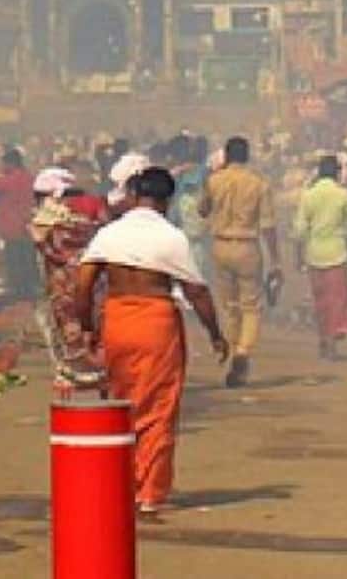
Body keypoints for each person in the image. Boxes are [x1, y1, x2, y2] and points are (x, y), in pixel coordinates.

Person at [76, 167, 228, 517]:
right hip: (156, 322)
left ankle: (123, 483)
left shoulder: (110, 233)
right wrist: (215, 334)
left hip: (117, 320)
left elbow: (83, 285)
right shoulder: (171, 237)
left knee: (121, 401)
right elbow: (196, 292)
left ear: (133, 196)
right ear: (167, 200)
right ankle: (149, 491)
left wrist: (88, 327)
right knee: (158, 408)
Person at [198, 136, 280, 386]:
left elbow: (202, 210)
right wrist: (275, 259)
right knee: (251, 306)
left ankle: (235, 350)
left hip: (221, 245)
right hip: (247, 246)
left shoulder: (213, 180)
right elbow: (268, 226)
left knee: (230, 305)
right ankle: (243, 351)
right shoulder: (259, 184)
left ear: (226, 156)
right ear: (247, 156)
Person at [28, 168, 106, 396]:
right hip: (94, 279)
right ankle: (99, 371)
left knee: (68, 327)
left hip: (64, 283)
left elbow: (51, 253)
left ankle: (75, 374)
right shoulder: (94, 209)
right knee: (94, 324)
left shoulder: (47, 219)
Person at [293, 154, 347, 361]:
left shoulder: (308, 195)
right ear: (337, 173)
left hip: (314, 254)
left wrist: (298, 256)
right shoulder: (343, 195)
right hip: (337, 253)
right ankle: (331, 337)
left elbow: (300, 231)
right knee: (337, 300)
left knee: (320, 300)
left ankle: (324, 336)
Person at [0, 149, 38, 301]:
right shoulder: (30, 178)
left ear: (10, 163)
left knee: (15, 262)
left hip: (12, 227)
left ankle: (19, 293)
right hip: (28, 225)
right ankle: (31, 290)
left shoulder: (7, 180)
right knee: (28, 260)